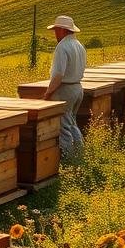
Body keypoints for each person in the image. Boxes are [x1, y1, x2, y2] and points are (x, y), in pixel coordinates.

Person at [43, 15, 87, 157]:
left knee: (64, 127)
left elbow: (58, 75)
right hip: (78, 88)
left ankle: (68, 158)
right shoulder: (79, 45)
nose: (55, 34)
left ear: (63, 30)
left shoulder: (62, 47)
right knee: (72, 122)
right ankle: (79, 154)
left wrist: (48, 93)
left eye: (56, 30)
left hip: (65, 90)